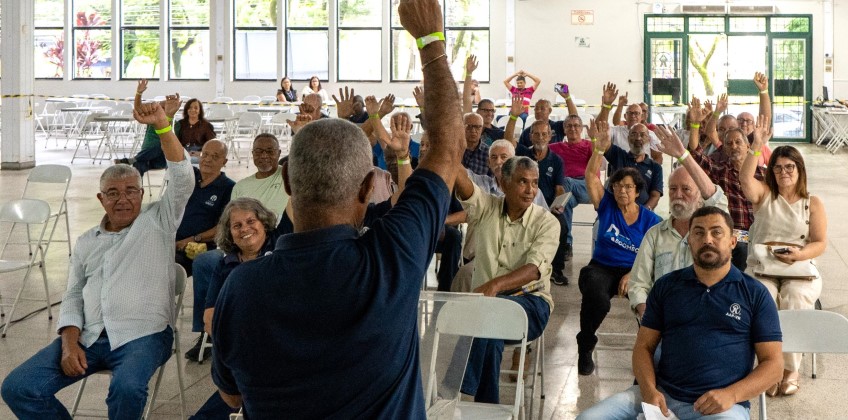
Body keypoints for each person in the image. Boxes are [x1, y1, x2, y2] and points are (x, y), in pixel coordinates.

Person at [209, 1, 464, 415]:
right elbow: (449, 147)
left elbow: (232, 395)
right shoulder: (392, 257)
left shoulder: (241, 289)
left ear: (288, 181)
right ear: (367, 189)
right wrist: (430, 41)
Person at [1, 101, 194, 419]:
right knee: (18, 387)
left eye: (131, 190)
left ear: (143, 195)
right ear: (100, 199)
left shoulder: (159, 220)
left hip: (142, 335)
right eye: (114, 192)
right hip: (89, 336)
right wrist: (69, 342)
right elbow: (73, 295)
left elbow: (184, 179)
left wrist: (162, 126)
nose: (124, 199)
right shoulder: (86, 242)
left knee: (128, 388)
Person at [578, 206, 783, 420]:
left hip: (721, 407)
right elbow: (643, 347)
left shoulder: (754, 293)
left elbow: (774, 366)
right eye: (698, 232)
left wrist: (731, 395)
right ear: (690, 242)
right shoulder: (666, 287)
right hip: (661, 397)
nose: (707, 239)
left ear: (733, 242)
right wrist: (649, 391)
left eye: (716, 232)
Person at [455, 156, 558, 404]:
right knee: (491, 330)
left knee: (487, 317)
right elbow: (465, 186)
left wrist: (495, 284)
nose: (531, 190)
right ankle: (487, 408)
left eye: (534, 183)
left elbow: (534, 270)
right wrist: (448, 148)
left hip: (531, 303)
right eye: (523, 182)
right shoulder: (487, 208)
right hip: (489, 308)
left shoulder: (547, 222)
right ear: (503, 183)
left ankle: (457, 387)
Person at [741, 119, 827, 398]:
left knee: (794, 300)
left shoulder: (811, 203)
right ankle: (769, 368)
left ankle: (789, 370)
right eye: (777, 168)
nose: (783, 172)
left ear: (799, 170)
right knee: (764, 300)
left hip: (799, 267)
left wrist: (800, 254)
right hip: (763, 266)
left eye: (789, 167)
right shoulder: (765, 195)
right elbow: (745, 180)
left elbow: (820, 243)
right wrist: (757, 146)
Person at [576, 119, 661, 376]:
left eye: (628, 187)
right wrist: (598, 150)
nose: (621, 190)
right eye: (617, 186)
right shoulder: (607, 206)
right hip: (602, 268)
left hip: (635, 271)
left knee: (651, 307)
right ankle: (586, 342)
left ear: (637, 192)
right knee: (597, 297)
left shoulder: (650, 220)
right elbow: (590, 176)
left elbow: (655, 256)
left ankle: (649, 357)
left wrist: (633, 274)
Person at [628, 126, 729, 319]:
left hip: (706, 317)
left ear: (700, 196)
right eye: (673, 189)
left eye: (686, 189)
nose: (678, 195)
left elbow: (716, 198)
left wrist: (683, 155)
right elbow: (638, 285)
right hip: (665, 319)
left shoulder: (713, 232)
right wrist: (648, 316)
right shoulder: (655, 235)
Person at [688, 101, 765, 271]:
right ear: (725, 150)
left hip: (760, 234)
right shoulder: (719, 172)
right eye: (729, 144)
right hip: (732, 235)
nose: (734, 146)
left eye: (738, 142)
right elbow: (695, 155)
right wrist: (694, 124)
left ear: (748, 146)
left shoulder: (763, 175)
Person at [518, 120, 570, 285]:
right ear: (530, 136)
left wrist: (558, 203)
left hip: (546, 207)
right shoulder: (522, 155)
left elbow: (559, 188)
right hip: (522, 205)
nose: (540, 137)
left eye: (544, 134)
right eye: (536, 134)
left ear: (550, 136)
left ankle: (556, 270)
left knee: (562, 225)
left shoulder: (556, 160)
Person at [174, 139, 235, 277]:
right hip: (171, 240)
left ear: (224, 162)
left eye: (215, 156)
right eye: (205, 154)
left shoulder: (228, 188)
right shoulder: (190, 177)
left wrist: (193, 239)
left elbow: (223, 227)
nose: (208, 160)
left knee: (164, 266)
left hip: (196, 248)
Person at [114, 80, 182, 176]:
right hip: (145, 158)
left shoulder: (176, 124)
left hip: (161, 158)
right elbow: (138, 109)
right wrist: (139, 93)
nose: (160, 110)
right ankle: (138, 188)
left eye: (164, 107)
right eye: (160, 107)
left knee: (159, 146)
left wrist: (169, 115)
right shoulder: (153, 121)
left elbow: (168, 134)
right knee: (138, 164)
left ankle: (133, 159)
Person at [595, 122, 664, 210]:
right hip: (615, 210)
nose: (638, 138)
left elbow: (655, 196)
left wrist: (643, 214)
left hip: (642, 212)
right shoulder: (618, 155)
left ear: (649, 139)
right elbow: (605, 143)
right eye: (634, 134)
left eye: (642, 135)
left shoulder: (656, 167)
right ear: (628, 138)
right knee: (598, 224)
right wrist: (601, 137)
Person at [230, 133, 289, 217]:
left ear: (279, 153)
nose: (264, 155)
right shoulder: (240, 187)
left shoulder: (288, 175)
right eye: (258, 151)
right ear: (253, 153)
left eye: (270, 151)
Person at [462, 112, 492, 176]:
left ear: (482, 129)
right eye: (469, 126)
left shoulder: (489, 153)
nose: (473, 130)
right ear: (462, 127)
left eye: (477, 127)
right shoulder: (454, 149)